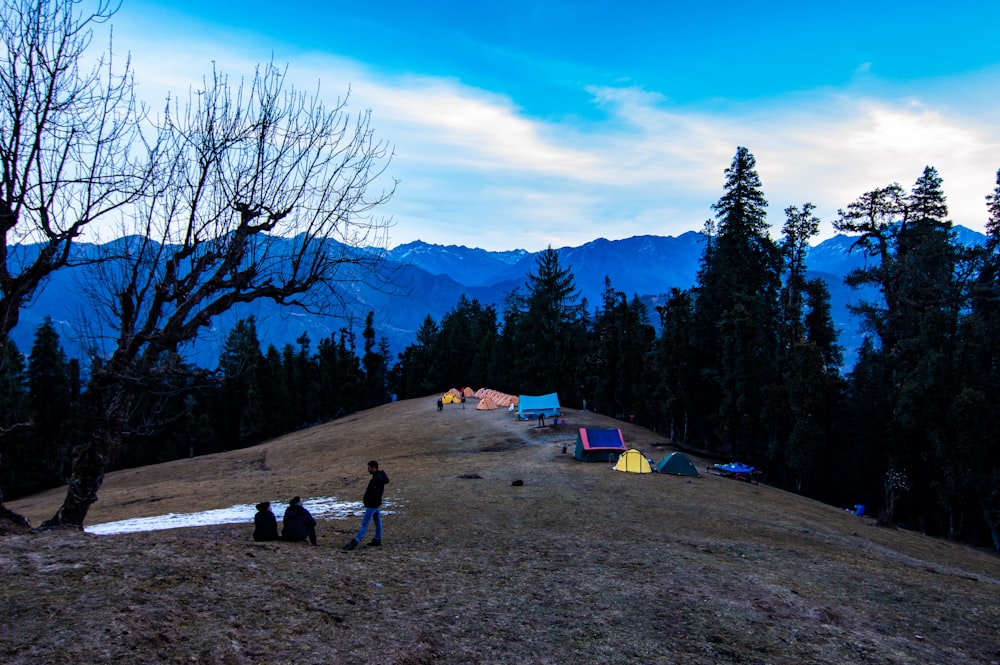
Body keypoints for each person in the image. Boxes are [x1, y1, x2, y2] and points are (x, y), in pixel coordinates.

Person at [343, 460, 390, 550]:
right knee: (377, 521)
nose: (368, 470)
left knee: (365, 523)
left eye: (369, 468)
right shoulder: (379, 477)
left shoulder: (376, 479)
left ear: (374, 468)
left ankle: (356, 541)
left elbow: (374, 493)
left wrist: (368, 501)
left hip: (372, 505)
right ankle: (377, 539)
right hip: (376, 504)